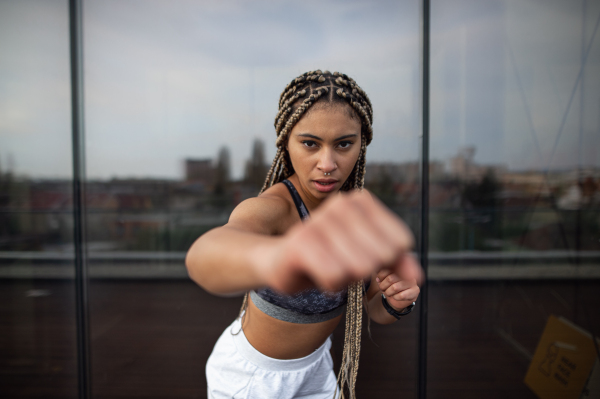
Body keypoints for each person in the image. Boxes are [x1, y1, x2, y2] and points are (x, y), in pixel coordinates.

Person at [185, 70, 422, 399]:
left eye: (343, 144)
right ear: (286, 141)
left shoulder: (358, 206)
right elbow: (204, 256)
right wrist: (279, 256)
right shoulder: (276, 208)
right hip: (251, 380)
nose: (327, 163)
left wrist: (395, 301)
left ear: (361, 144)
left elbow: (375, 309)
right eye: (310, 143)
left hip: (316, 370)